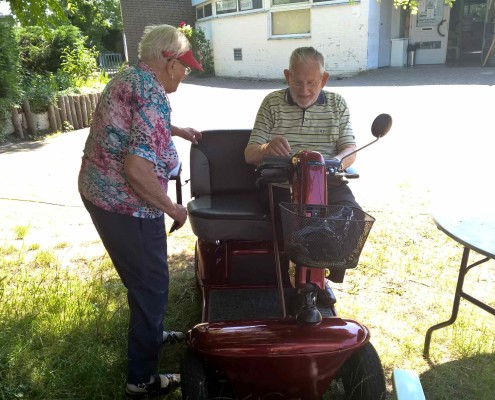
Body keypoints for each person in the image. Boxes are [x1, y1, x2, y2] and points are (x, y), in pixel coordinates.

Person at [78, 24, 203, 399]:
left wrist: (174, 130)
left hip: (97, 190)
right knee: (152, 286)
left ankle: (151, 331)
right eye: (185, 66)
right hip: (125, 205)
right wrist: (174, 210)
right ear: (169, 63)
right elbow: (136, 169)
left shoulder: (131, 77)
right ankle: (142, 381)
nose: (187, 72)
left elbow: (135, 123)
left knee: (142, 281)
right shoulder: (153, 95)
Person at [244, 46, 360, 288]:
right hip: (282, 185)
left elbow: (350, 149)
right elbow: (249, 154)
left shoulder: (337, 104)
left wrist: (337, 161)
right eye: (297, 82)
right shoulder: (272, 103)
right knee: (299, 223)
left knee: (353, 219)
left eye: (312, 83)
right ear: (287, 76)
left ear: (324, 79)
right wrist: (266, 149)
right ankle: (296, 280)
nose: (305, 91)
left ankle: (323, 277)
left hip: (328, 184)